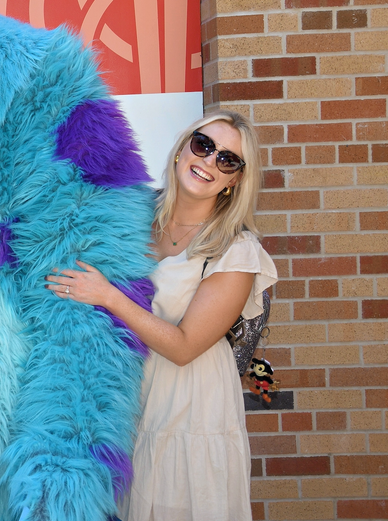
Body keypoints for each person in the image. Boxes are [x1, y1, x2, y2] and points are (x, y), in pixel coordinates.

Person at [46, 110, 277, 521]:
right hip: (131, 401)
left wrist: (108, 296)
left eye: (227, 160)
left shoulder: (235, 250)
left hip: (190, 405)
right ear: (182, 149)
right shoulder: (134, 217)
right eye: (203, 145)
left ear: (235, 180)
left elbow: (186, 346)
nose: (209, 161)